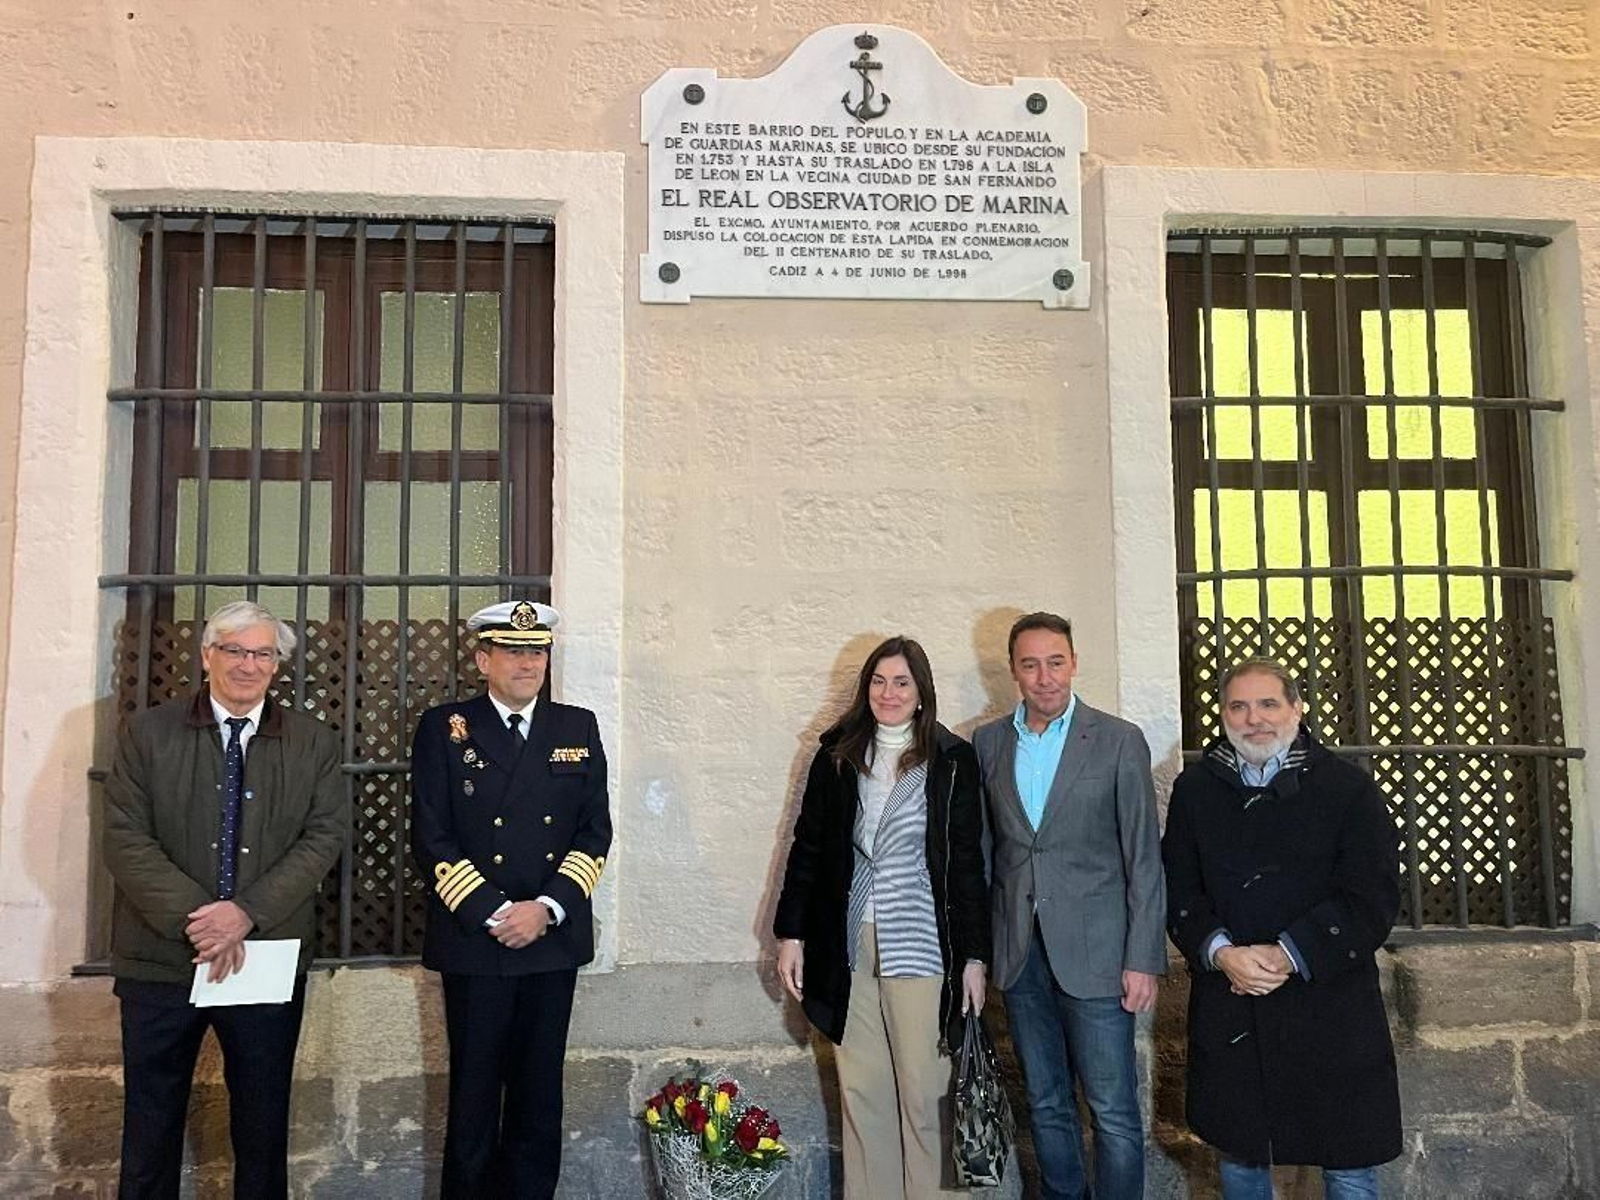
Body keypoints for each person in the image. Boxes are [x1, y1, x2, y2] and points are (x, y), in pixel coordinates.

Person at [102, 600, 346, 1200]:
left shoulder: (313, 742)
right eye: (235, 650)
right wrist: (201, 921)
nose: (248, 664)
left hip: (262, 958)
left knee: (262, 1132)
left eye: (263, 653)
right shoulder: (148, 732)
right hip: (161, 959)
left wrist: (244, 913)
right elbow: (125, 836)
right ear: (207, 654)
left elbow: (325, 836)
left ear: (277, 665)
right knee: (150, 1129)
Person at [1161, 657, 1402, 1199]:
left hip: (1331, 1007)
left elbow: (1372, 897)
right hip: (1233, 1000)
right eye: (1239, 706)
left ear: (1296, 708)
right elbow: (1179, 890)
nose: (1255, 719)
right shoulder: (1195, 790)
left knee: (1349, 1163)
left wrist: (1289, 953)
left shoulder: (1349, 790)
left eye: (1268, 703)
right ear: (1223, 715)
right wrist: (1222, 952)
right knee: (1242, 1158)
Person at [774, 636, 990, 1198]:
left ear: (921, 693)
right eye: (878, 681)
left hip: (921, 943)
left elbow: (966, 864)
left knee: (924, 1093)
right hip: (847, 944)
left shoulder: (951, 761)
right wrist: (790, 933)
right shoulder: (839, 755)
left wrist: (973, 955)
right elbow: (809, 847)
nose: (888, 693)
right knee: (862, 1092)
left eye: (901, 682)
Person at [410, 598, 611, 1199]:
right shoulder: (445, 728)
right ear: (482, 659)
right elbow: (430, 833)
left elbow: (594, 833)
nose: (528, 663)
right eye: (514, 652)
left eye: (537, 652)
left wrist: (545, 909)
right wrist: (496, 912)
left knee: (538, 1097)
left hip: (550, 941)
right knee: (473, 1100)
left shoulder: (577, 726)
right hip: (477, 940)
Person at [974, 611, 1166, 1200]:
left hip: (1102, 956)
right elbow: (985, 856)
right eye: (1030, 664)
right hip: (1020, 953)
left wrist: (1144, 958)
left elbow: (1143, 858)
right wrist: (978, 955)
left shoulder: (1117, 740)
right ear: (1013, 671)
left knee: (1112, 1109)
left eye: (1056, 662)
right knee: (1046, 1101)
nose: (1045, 677)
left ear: (1074, 663)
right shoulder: (987, 742)